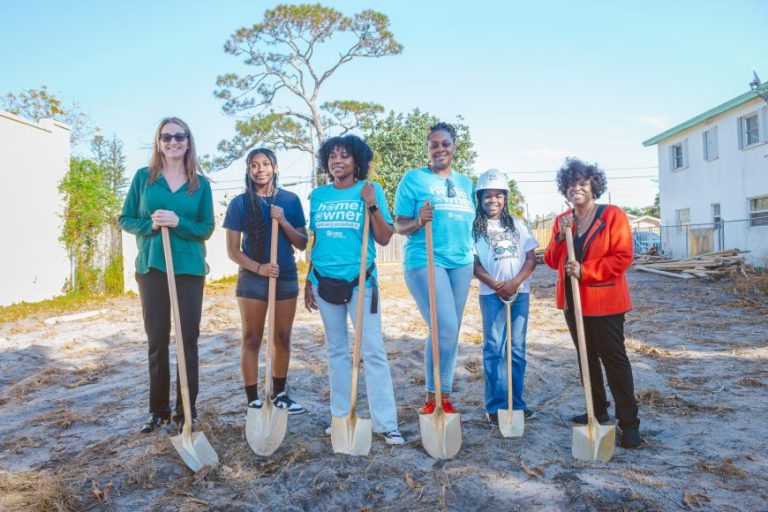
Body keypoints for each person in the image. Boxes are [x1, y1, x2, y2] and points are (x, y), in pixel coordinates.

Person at [304, 134, 404, 445]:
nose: (337, 161)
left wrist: (372, 205)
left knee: (372, 351)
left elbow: (385, 237)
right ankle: (340, 416)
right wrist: (309, 279)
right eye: (332, 156)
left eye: (344, 156)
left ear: (356, 160)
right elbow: (314, 240)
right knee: (336, 352)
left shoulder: (369, 191)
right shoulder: (318, 196)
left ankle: (385, 423)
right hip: (324, 282)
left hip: (361, 282)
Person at [119, 117, 214, 433]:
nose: (173, 142)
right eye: (166, 137)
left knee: (188, 340)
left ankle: (187, 411)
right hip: (152, 267)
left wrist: (178, 222)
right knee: (157, 341)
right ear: (158, 142)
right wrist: (151, 226)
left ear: (189, 141)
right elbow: (126, 218)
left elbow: (206, 228)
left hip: (189, 270)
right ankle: (157, 411)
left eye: (180, 136)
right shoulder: (144, 179)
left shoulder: (200, 185)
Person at [543, 158, 641, 449]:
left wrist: (587, 271)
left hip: (605, 301)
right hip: (573, 303)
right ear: (565, 189)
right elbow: (549, 260)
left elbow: (623, 257)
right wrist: (560, 237)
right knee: (586, 359)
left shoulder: (612, 216)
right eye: (572, 185)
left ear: (593, 186)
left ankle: (629, 423)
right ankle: (596, 411)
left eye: (583, 183)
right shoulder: (563, 220)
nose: (577, 189)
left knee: (614, 360)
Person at [393, 122, 475, 414]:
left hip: (462, 263)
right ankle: (432, 398)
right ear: (428, 149)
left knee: (450, 332)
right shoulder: (413, 179)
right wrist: (417, 221)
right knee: (445, 326)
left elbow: (471, 227)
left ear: (454, 147)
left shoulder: (467, 184)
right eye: (434, 145)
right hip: (426, 260)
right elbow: (399, 224)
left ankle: (445, 394)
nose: (440, 149)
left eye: (445, 144)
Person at [223, 148, 308, 416]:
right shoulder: (239, 203)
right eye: (254, 165)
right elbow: (233, 251)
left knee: (282, 337)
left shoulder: (290, 200)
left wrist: (282, 220)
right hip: (253, 278)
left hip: (285, 276)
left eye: (266, 164)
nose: (261, 170)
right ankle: (253, 400)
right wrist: (259, 268)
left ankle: (280, 393)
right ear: (248, 170)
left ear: (275, 168)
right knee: (252, 337)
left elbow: (302, 242)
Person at [471, 169, 538, 423]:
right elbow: (474, 264)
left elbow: (531, 260)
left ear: (505, 198)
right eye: (488, 196)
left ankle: (517, 403)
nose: (493, 200)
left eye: (498, 196)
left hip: (519, 295)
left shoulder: (518, 225)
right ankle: (496, 406)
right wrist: (497, 285)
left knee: (517, 350)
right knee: (494, 349)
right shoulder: (475, 228)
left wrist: (515, 283)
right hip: (491, 295)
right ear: (480, 198)